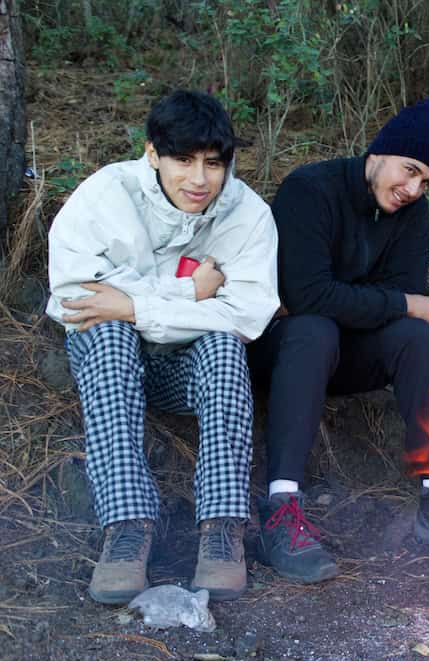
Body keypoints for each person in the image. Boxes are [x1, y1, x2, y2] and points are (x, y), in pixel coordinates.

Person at [249, 98, 429, 582]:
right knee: (315, 326)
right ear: (378, 153)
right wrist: (402, 303)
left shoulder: (412, 213)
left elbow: (397, 294)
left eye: (425, 181)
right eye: (408, 171)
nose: (412, 189)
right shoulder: (310, 190)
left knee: (412, 335)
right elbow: (304, 294)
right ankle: (280, 509)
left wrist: (401, 306)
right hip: (282, 351)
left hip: (349, 353)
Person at [46, 90, 280, 604]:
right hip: (107, 359)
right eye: (183, 160)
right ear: (152, 153)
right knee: (106, 333)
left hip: (184, 369)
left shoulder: (247, 216)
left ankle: (222, 530)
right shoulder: (106, 195)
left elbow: (245, 315)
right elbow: (75, 297)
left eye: (213, 164)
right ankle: (127, 529)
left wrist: (131, 304)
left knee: (221, 345)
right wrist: (188, 292)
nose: (199, 180)